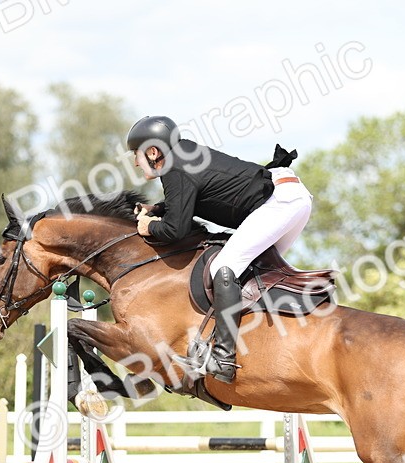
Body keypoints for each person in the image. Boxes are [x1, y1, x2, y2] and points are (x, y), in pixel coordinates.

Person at [125, 115, 313, 383]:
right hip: (291, 196)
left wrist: (149, 227)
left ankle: (224, 358)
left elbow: (175, 230)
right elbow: (193, 197)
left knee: (223, 268)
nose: (135, 161)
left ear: (153, 152)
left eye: (137, 153)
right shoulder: (184, 154)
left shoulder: (174, 168)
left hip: (279, 203)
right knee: (255, 273)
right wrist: (157, 209)